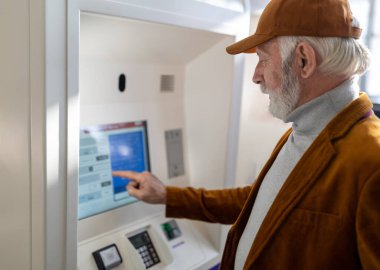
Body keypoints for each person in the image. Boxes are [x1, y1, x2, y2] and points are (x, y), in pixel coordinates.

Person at [113, 0, 380, 269]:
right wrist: (168, 196)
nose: (256, 76)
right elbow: (260, 203)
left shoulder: (372, 161)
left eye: (263, 59)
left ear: (303, 59)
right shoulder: (306, 129)